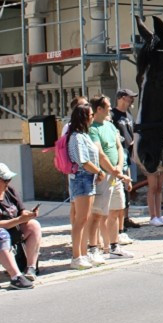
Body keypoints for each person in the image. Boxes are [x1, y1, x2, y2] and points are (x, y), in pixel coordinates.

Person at [87, 95, 134, 261]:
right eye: (107, 106)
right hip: (103, 176)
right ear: (99, 109)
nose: (110, 108)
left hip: (115, 175)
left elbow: (119, 147)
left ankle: (114, 247)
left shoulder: (111, 126)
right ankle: (93, 248)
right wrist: (114, 171)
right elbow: (100, 154)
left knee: (116, 210)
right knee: (98, 213)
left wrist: (119, 168)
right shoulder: (92, 128)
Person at [0, 163, 40, 289]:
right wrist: (19, 220)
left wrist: (28, 215)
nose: (8, 182)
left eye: (9, 179)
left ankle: (31, 268)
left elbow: (21, 211)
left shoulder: (10, 190)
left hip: (14, 229)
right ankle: (16, 277)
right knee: (1, 234)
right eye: (5, 180)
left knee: (34, 225)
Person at [66, 103, 105, 269]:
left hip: (87, 179)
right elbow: (83, 161)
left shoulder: (83, 135)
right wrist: (99, 171)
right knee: (80, 219)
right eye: (90, 115)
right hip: (82, 178)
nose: (92, 117)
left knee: (84, 218)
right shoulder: (76, 137)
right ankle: (76, 256)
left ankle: (82, 253)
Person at [111, 87, 139, 237]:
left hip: (128, 153)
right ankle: (118, 220)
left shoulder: (128, 115)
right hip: (117, 155)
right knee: (119, 187)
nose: (132, 100)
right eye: (129, 97)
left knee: (128, 186)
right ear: (121, 98)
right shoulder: (113, 115)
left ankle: (126, 218)